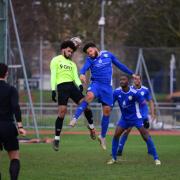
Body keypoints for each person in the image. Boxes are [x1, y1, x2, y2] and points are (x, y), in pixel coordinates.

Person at [69, 42, 136, 150]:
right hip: (96, 84)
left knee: (107, 111)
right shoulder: (90, 60)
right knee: (89, 96)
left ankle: (102, 136)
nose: (90, 54)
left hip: (107, 88)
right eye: (88, 53)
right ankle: (75, 118)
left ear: (95, 48)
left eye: (90, 51)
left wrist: (131, 73)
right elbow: (84, 68)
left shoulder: (108, 55)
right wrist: (81, 74)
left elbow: (119, 65)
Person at [50, 40, 96, 151]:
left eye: (72, 52)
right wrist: (53, 90)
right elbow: (53, 75)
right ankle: (56, 139)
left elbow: (75, 77)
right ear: (63, 49)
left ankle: (91, 128)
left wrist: (79, 85)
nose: (70, 53)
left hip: (72, 87)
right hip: (62, 87)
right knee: (62, 112)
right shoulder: (56, 60)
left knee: (86, 106)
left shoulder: (72, 64)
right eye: (69, 51)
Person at [107, 75, 161, 165]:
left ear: (127, 82)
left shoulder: (135, 93)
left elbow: (143, 104)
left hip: (136, 118)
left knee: (145, 136)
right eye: (120, 80)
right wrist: (109, 109)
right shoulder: (116, 92)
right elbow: (111, 103)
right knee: (116, 135)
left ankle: (156, 158)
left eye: (123, 79)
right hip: (124, 119)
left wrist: (145, 116)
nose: (121, 81)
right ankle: (113, 158)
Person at [117, 75, 155, 156]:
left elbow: (150, 101)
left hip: (143, 115)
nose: (136, 80)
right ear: (133, 80)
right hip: (133, 114)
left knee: (145, 133)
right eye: (135, 79)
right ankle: (119, 150)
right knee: (127, 131)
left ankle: (150, 150)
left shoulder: (145, 90)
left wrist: (152, 113)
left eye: (138, 79)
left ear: (140, 80)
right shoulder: (130, 89)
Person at [0, 63, 26, 180]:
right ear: (6, 74)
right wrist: (20, 126)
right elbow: (15, 107)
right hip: (8, 126)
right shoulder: (11, 89)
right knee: (14, 156)